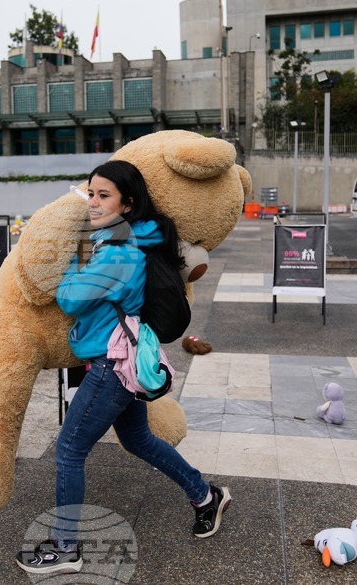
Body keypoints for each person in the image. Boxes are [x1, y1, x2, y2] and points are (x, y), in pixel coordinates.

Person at [15, 160, 231, 576]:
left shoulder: (118, 252)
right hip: (123, 358)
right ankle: (206, 496)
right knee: (139, 440)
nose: (93, 203)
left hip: (110, 365)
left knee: (69, 450)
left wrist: (72, 266)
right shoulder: (122, 239)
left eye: (104, 196)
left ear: (127, 204)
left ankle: (65, 547)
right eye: (91, 193)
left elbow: (70, 299)